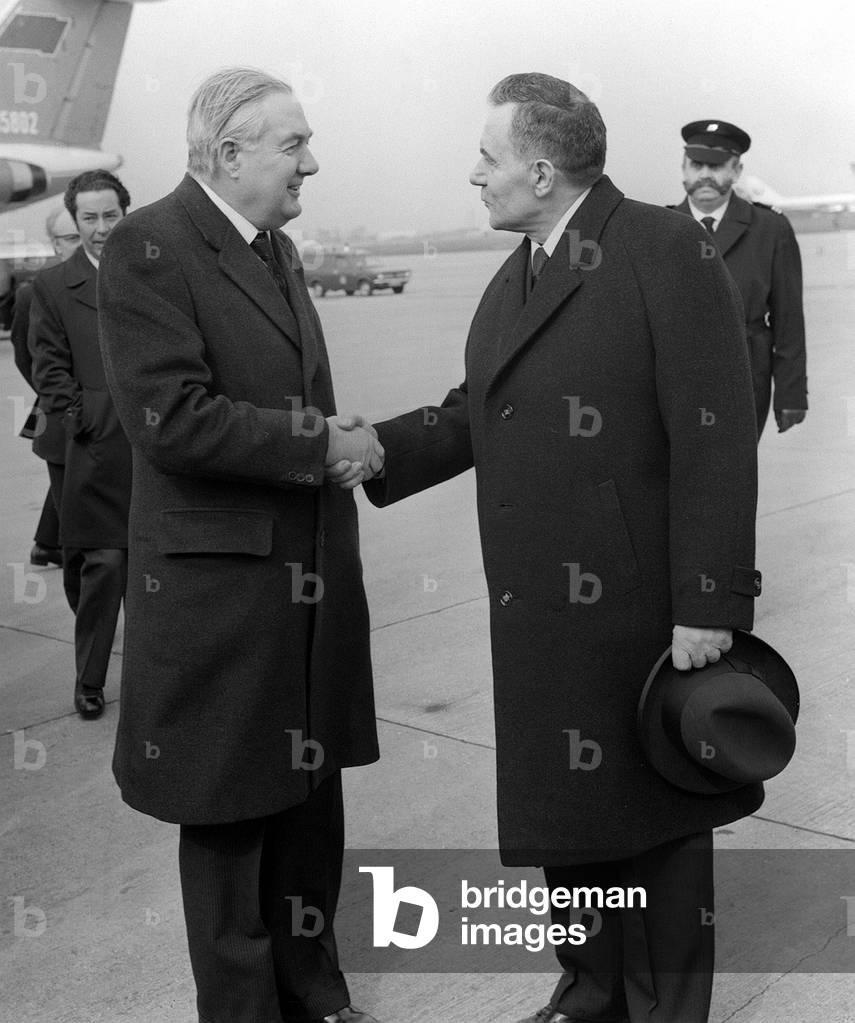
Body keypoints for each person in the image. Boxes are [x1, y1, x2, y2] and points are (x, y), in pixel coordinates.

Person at [338, 73, 764, 1023]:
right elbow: (478, 411)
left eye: (486, 160)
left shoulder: (660, 247)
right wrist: (377, 447)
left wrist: (708, 601)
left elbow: (714, 434)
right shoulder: (520, 269)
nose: (473, 176)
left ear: (538, 168)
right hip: (538, 610)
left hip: (638, 607)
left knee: (655, 822)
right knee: (569, 817)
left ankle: (659, 1007)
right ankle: (590, 988)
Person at [96, 68, 383, 1023]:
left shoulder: (276, 248)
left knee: (306, 805)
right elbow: (168, 418)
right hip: (222, 594)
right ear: (228, 155)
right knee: (230, 822)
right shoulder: (150, 244)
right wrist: (317, 444)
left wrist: (324, 434)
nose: (312, 161)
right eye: (293, 145)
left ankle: (318, 996)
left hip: (301, 585)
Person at [28, 172, 132, 719]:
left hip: (151, 445)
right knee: (103, 564)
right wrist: (82, 416)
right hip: (92, 446)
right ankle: (89, 680)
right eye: (88, 218)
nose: (100, 229)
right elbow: (47, 367)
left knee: (153, 567)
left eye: (110, 215)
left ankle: (156, 676)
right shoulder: (50, 287)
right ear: (76, 221)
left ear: (125, 213)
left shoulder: (154, 272)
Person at [670, 120, 807, 437]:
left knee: (734, 477)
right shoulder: (660, 229)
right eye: (697, 164)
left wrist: (791, 394)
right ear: (684, 168)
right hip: (674, 382)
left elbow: (789, 318)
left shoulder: (770, 229)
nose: (705, 174)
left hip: (745, 379)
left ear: (736, 170)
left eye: (717, 166)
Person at [11, 207, 81, 568]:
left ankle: (46, 543)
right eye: (69, 238)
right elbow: (26, 356)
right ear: (55, 245)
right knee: (67, 481)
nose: (81, 243)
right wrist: (55, 394)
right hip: (59, 409)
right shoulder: (32, 293)